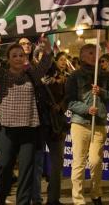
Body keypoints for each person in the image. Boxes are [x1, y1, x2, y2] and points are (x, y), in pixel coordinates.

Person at [0, 36, 53, 205]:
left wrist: (48, 48)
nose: (18, 58)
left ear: (25, 58)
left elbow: (45, 64)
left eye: (21, 55)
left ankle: (22, 202)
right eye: (14, 55)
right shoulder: (1, 75)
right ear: (8, 59)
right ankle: (1, 199)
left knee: (26, 171)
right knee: (4, 167)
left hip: (29, 128)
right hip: (6, 129)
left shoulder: (32, 74)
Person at [66, 44, 109, 205]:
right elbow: (70, 102)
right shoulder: (74, 76)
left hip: (99, 124)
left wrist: (101, 91)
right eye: (90, 53)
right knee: (79, 163)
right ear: (82, 57)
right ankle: (78, 199)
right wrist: (87, 109)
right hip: (80, 124)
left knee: (95, 161)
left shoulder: (104, 75)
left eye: (96, 53)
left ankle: (96, 193)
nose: (94, 55)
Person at [41, 52, 71, 205]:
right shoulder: (40, 76)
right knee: (36, 162)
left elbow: (69, 97)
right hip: (40, 123)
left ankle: (53, 198)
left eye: (66, 60)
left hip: (57, 123)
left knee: (58, 162)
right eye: (61, 59)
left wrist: (61, 106)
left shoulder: (67, 78)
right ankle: (35, 197)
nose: (64, 62)